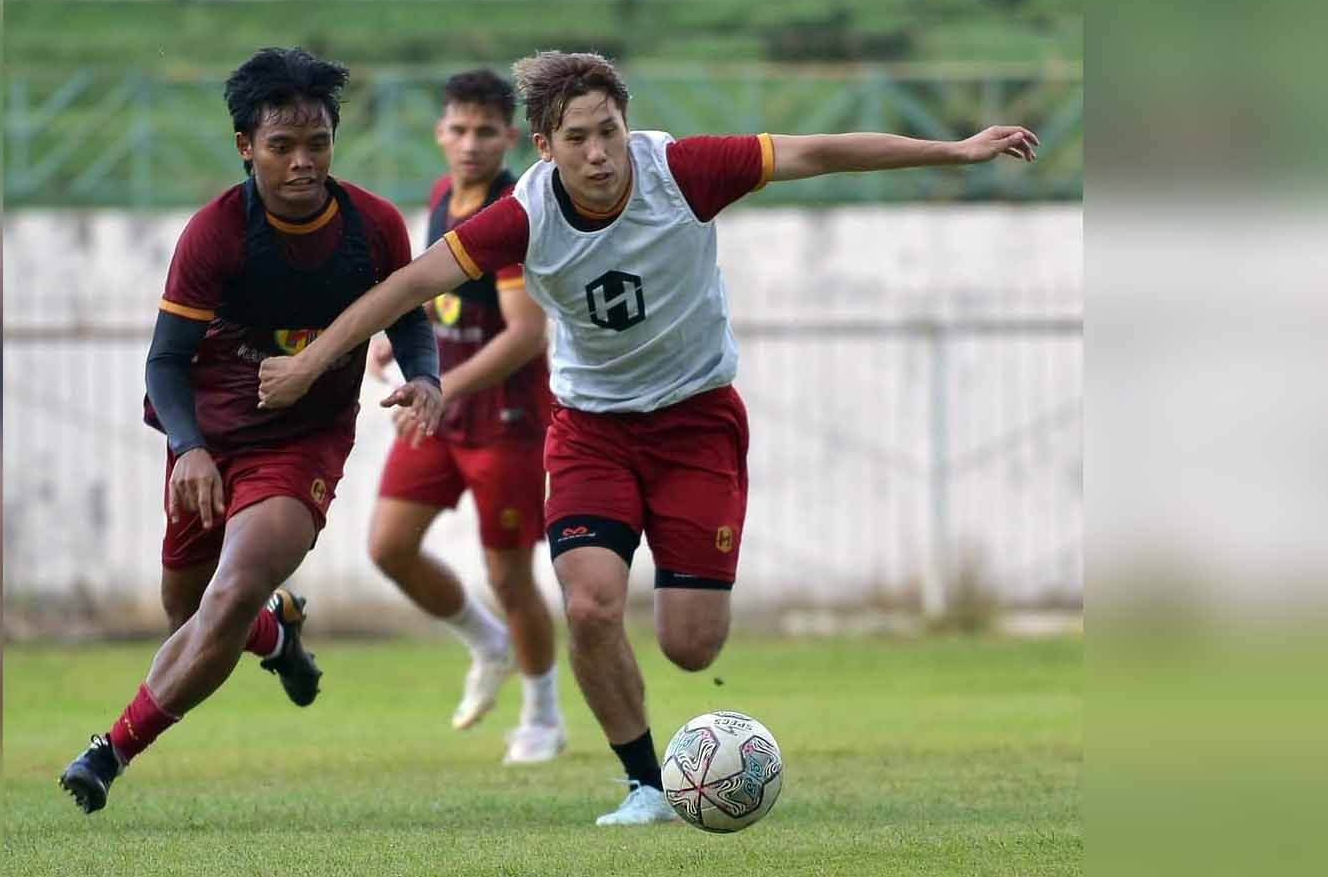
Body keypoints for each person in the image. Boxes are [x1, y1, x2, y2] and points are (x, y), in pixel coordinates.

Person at [254, 50, 1039, 826]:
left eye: (610, 131)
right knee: (590, 604)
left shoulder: (684, 172)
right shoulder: (524, 215)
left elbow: (818, 151)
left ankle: (671, 719)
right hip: (591, 430)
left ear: (627, 124)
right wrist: (311, 361)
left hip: (698, 420)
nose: (598, 154)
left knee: (691, 646)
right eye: (577, 138)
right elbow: (406, 285)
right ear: (544, 147)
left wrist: (956, 149)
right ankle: (646, 784)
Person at [58, 47, 444, 815]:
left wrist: (425, 377)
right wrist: (188, 447)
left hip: (302, 444)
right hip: (209, 439)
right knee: (192, 612)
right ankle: (277, 636)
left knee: (227, 595)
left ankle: (109, 752)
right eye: (282, 146)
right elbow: (165, 362)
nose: (303, 163)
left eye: (319, 144)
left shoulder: (372, 228)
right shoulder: (215, 234)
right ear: (245, 146)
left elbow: (409, 320)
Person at [363, 69, 564, 764]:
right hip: (439, 405)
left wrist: (439, 384)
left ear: (510, 136)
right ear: (440, 134)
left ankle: (542, 714)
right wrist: (399, 330)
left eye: (486, 131)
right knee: (389, 545)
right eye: (459, 129)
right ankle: (487, 640)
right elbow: (440, 289)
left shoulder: (512, 210)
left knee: (510, 576)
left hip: (504, 416)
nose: (470, 143)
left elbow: (523, 332)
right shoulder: (443, 195)